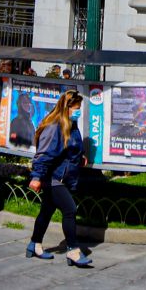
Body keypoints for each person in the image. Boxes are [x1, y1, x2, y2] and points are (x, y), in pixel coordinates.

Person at [25, 91, 94, 266]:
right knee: (70, 210)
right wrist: (37, 177)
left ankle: (34, 244)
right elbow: (44, 154)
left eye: (79, 108)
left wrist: (80, 157)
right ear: (67, 107)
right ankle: (73, 251)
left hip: (63, 177)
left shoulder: (71, 124)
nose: (78, 111)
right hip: (53, 178)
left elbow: (71, 147)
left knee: (46, 211)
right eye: (76, 108)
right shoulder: (54, 127)